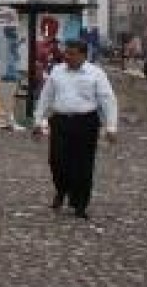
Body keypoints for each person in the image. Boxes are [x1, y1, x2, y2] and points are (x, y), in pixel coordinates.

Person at [32, 38, 119, 220]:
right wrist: (38, 121)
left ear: (83, 55)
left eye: (72, 54)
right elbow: (46, 97)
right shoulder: (57, 72)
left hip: (86, 122)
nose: (67, 57)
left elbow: (107, 99)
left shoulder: (96, 74)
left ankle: (80, 204)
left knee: (83, 165)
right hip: (61, 121)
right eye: (66, 53)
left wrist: (111, 126)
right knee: (56, 161)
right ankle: (62, 189)